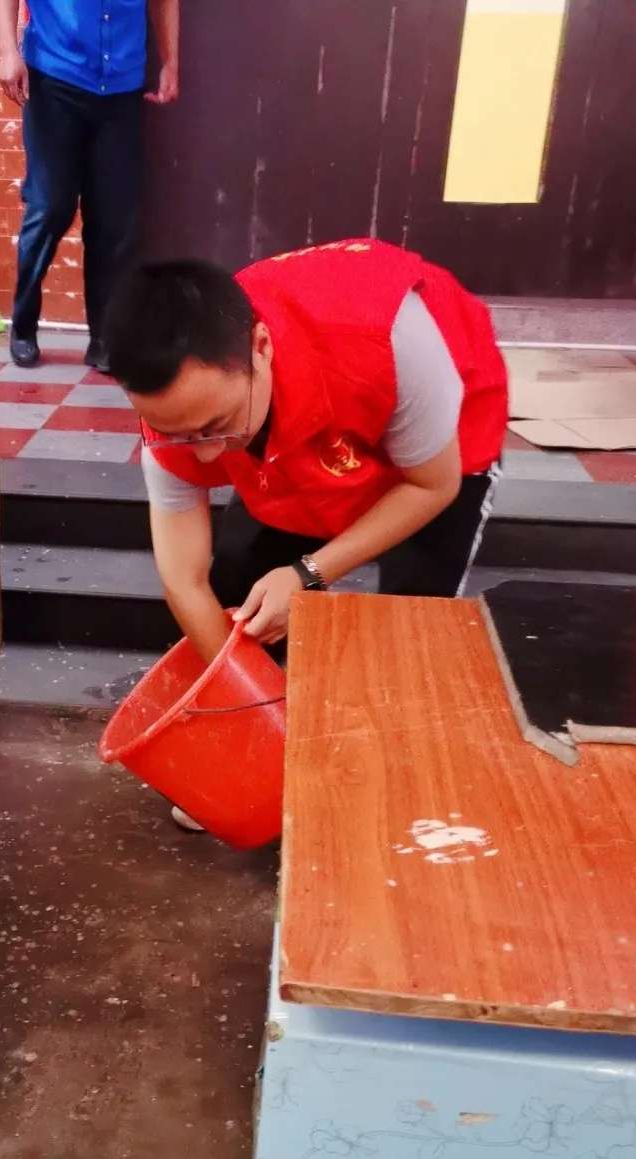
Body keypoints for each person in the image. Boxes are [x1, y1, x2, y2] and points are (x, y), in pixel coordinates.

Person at [102, 238, 509, 830]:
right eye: (178, 434)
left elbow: (430, 486)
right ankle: (285, 751)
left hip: (434, 450)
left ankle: (383, 779)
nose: (207, 455)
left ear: (261, 348)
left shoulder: (389, 337)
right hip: (291, 439)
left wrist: (308, 573)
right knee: (236, 587)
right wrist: (251, 707)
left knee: (410, 620)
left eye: (216, 426)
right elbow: (183, 578)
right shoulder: (181, 420)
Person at [0, 0, 180, 374]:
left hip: (123, 86)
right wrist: (8, 51)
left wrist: (170, 61)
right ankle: (24, 324)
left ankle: (104, 340)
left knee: (114, 220)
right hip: (55, 77)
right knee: (50, 207)